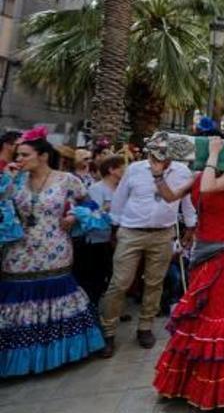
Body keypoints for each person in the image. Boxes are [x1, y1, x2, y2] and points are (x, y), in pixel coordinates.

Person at [153, 137, 224, 410]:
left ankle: (217, 389)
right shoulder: (200, 175)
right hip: (201, 251)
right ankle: (187, 383)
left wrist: (215, 155)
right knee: (199, 313)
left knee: (217, 314)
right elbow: (170, 197)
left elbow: (208, 189)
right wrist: (158, 173)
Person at [0, 127, 105, 377]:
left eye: (24, 155)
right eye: (17, 155)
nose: (19, 160)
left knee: (57, 295)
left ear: (43, 155)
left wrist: (72, 215)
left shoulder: (66, 180)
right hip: (18, 252)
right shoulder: (13, 179)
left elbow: (89, 204)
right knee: (16, 298)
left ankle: (56, 354)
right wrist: (6, 180)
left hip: (54, 249)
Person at [100, 132, 196, 356]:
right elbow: (120, 198)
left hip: (163, 234)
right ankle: (108, 332)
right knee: (119, 282)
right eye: (156, 149)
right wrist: (115, 229)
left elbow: (186, 202)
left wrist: (191, 227)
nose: (159, 154)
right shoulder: (135, 169)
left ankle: (145, 327)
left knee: (155, 282)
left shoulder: (182, 172)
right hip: (131, 232)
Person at [73, 154, 126, 305]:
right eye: (123, 168)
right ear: (112, 170)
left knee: (112, 276)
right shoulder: (97, 189)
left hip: (116, 239)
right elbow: (93, 216)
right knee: (94, 278)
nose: (125, 171)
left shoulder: (121, 189)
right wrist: (107, 210)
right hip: (96, 241)